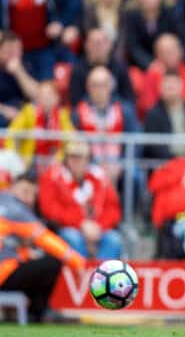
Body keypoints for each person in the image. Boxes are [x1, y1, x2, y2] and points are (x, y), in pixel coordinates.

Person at [0, 171, 86, 322]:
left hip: (6, 268)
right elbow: (45, 239)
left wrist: (24, 254)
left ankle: (23, 312)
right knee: (52, 262)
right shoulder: (16, 210)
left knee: (34, 260)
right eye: (24, 191)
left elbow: (8, 244)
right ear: (12, 188)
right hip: (3, 273)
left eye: (32, 194)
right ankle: (39, 312)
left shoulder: (5, 205)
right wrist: (76, 262)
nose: (28, 198)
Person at [38, 141, 123, 259]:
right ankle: (82, 275)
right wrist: (80, 224)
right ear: (66, 159)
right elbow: (50, 209)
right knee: (72, 238)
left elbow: (113, 209)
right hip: (67, 227)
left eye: (83, 157)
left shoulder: (100, 178)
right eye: (74, 157)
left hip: (98, 229)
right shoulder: (52, 177)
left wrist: (99, 227)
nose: (78, 162)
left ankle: (101, 274)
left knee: (114, 239)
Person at [71, 66, 139, 182]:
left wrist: (121, 164)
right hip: (88, 163)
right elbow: (75, 143)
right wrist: (91, 164)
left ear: (111, 86)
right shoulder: (78, 112)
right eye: (95, 85)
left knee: (135, 176)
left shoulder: (124, 110)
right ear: (88, 87)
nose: (99, 90)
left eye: (103, 85)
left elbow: (136, 140)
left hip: (119, 163)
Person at [5, 82, 74, 168]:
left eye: (49, 95)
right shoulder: (28, 112)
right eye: (42, 95)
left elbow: (71, 140)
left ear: (57, 98)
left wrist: (59, 158)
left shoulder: (63, 115)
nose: (46, 99)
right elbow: (12, 134)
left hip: (55, 163)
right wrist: (16, 158)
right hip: (30, 162)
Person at [123, 0, 185, 70]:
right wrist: (150, 63)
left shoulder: (170, 13)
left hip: (169, 62)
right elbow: (133, 47)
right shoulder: (132, 16)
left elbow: (181, 39)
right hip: (141, 65)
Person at [69, 28, 135, 105]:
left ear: (110, 45)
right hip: (87, 112)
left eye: (102, 42)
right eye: (94, 43)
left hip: (116, 111)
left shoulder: (120, 68)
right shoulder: (78, 70)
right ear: (86, 45)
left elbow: (129, 99)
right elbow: (76, 102)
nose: (98, 46)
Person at [0, 31, 41, 127]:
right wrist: (4, 110)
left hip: (22, 113)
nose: (15, 55)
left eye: (18, 50)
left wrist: (19, 72)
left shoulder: (26, 66)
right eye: (10, 51)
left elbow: (37, 96)